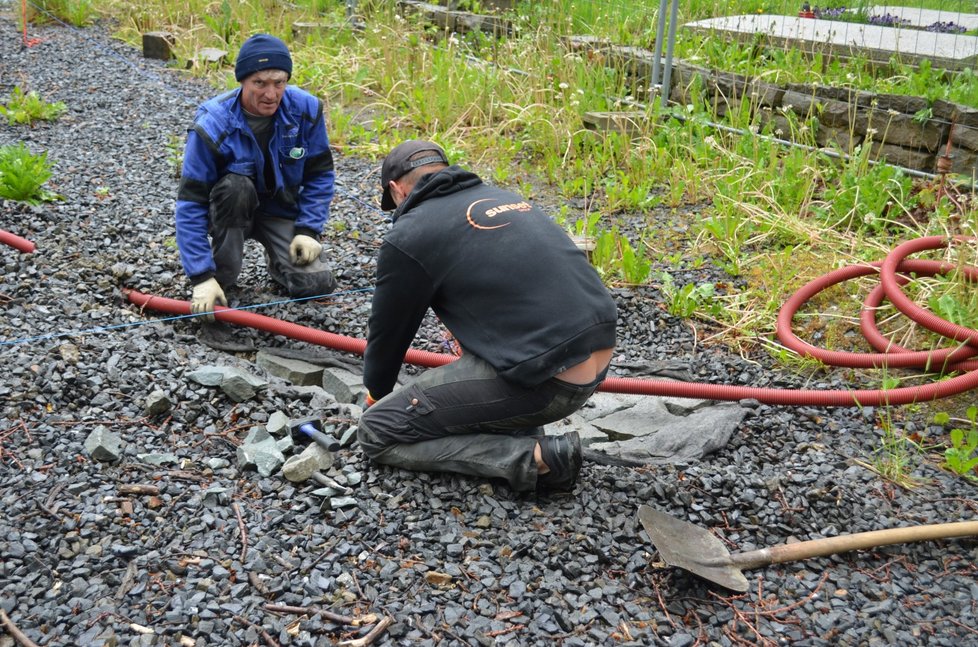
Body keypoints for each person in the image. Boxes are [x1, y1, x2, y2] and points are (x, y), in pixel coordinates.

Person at [357, 140, 617, 493]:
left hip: (549, 382)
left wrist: (377, 396)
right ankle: (514, 423)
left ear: (396, 189)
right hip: (598, 354)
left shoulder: (411, 233)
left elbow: (388, 335)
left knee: (377, 432)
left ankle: (535, 458)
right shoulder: (502, 197)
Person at [174, 33, 337, 347]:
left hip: (279, 211)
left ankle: (280, 263)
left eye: (279, 82)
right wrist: (200, 276)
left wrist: (308, 229)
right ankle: (221, 275)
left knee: (316, 283)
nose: (271, 93)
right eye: (260, 83)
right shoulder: (212, 124)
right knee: (236, 187)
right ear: (242, 82)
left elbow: (320, 175)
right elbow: (190, 204)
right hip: (232, 211)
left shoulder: (306, 111)